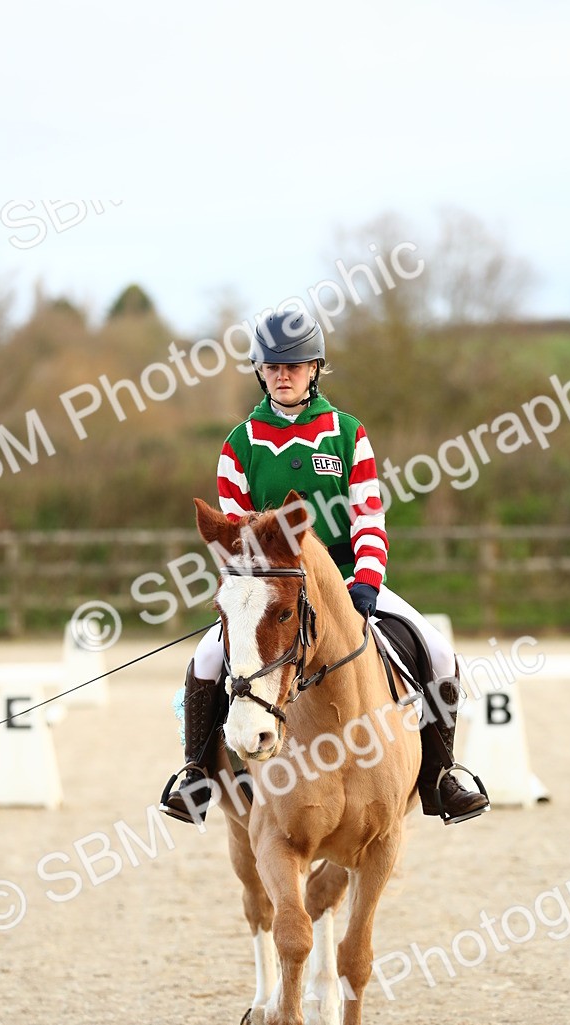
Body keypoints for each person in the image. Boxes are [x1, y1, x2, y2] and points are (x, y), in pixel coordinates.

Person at [160, 309, 490, 828]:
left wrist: (366, 583)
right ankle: (195, 775)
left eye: (295, 365)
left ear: (316, 368)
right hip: (273, 589)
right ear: (260, 371)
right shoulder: (239, 444)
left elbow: (369, 519)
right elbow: (234, 535)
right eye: (272, 366)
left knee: (441, 653)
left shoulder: (348, 433)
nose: (283, 374)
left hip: (347, 582)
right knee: (204, 662)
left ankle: (442, 775)